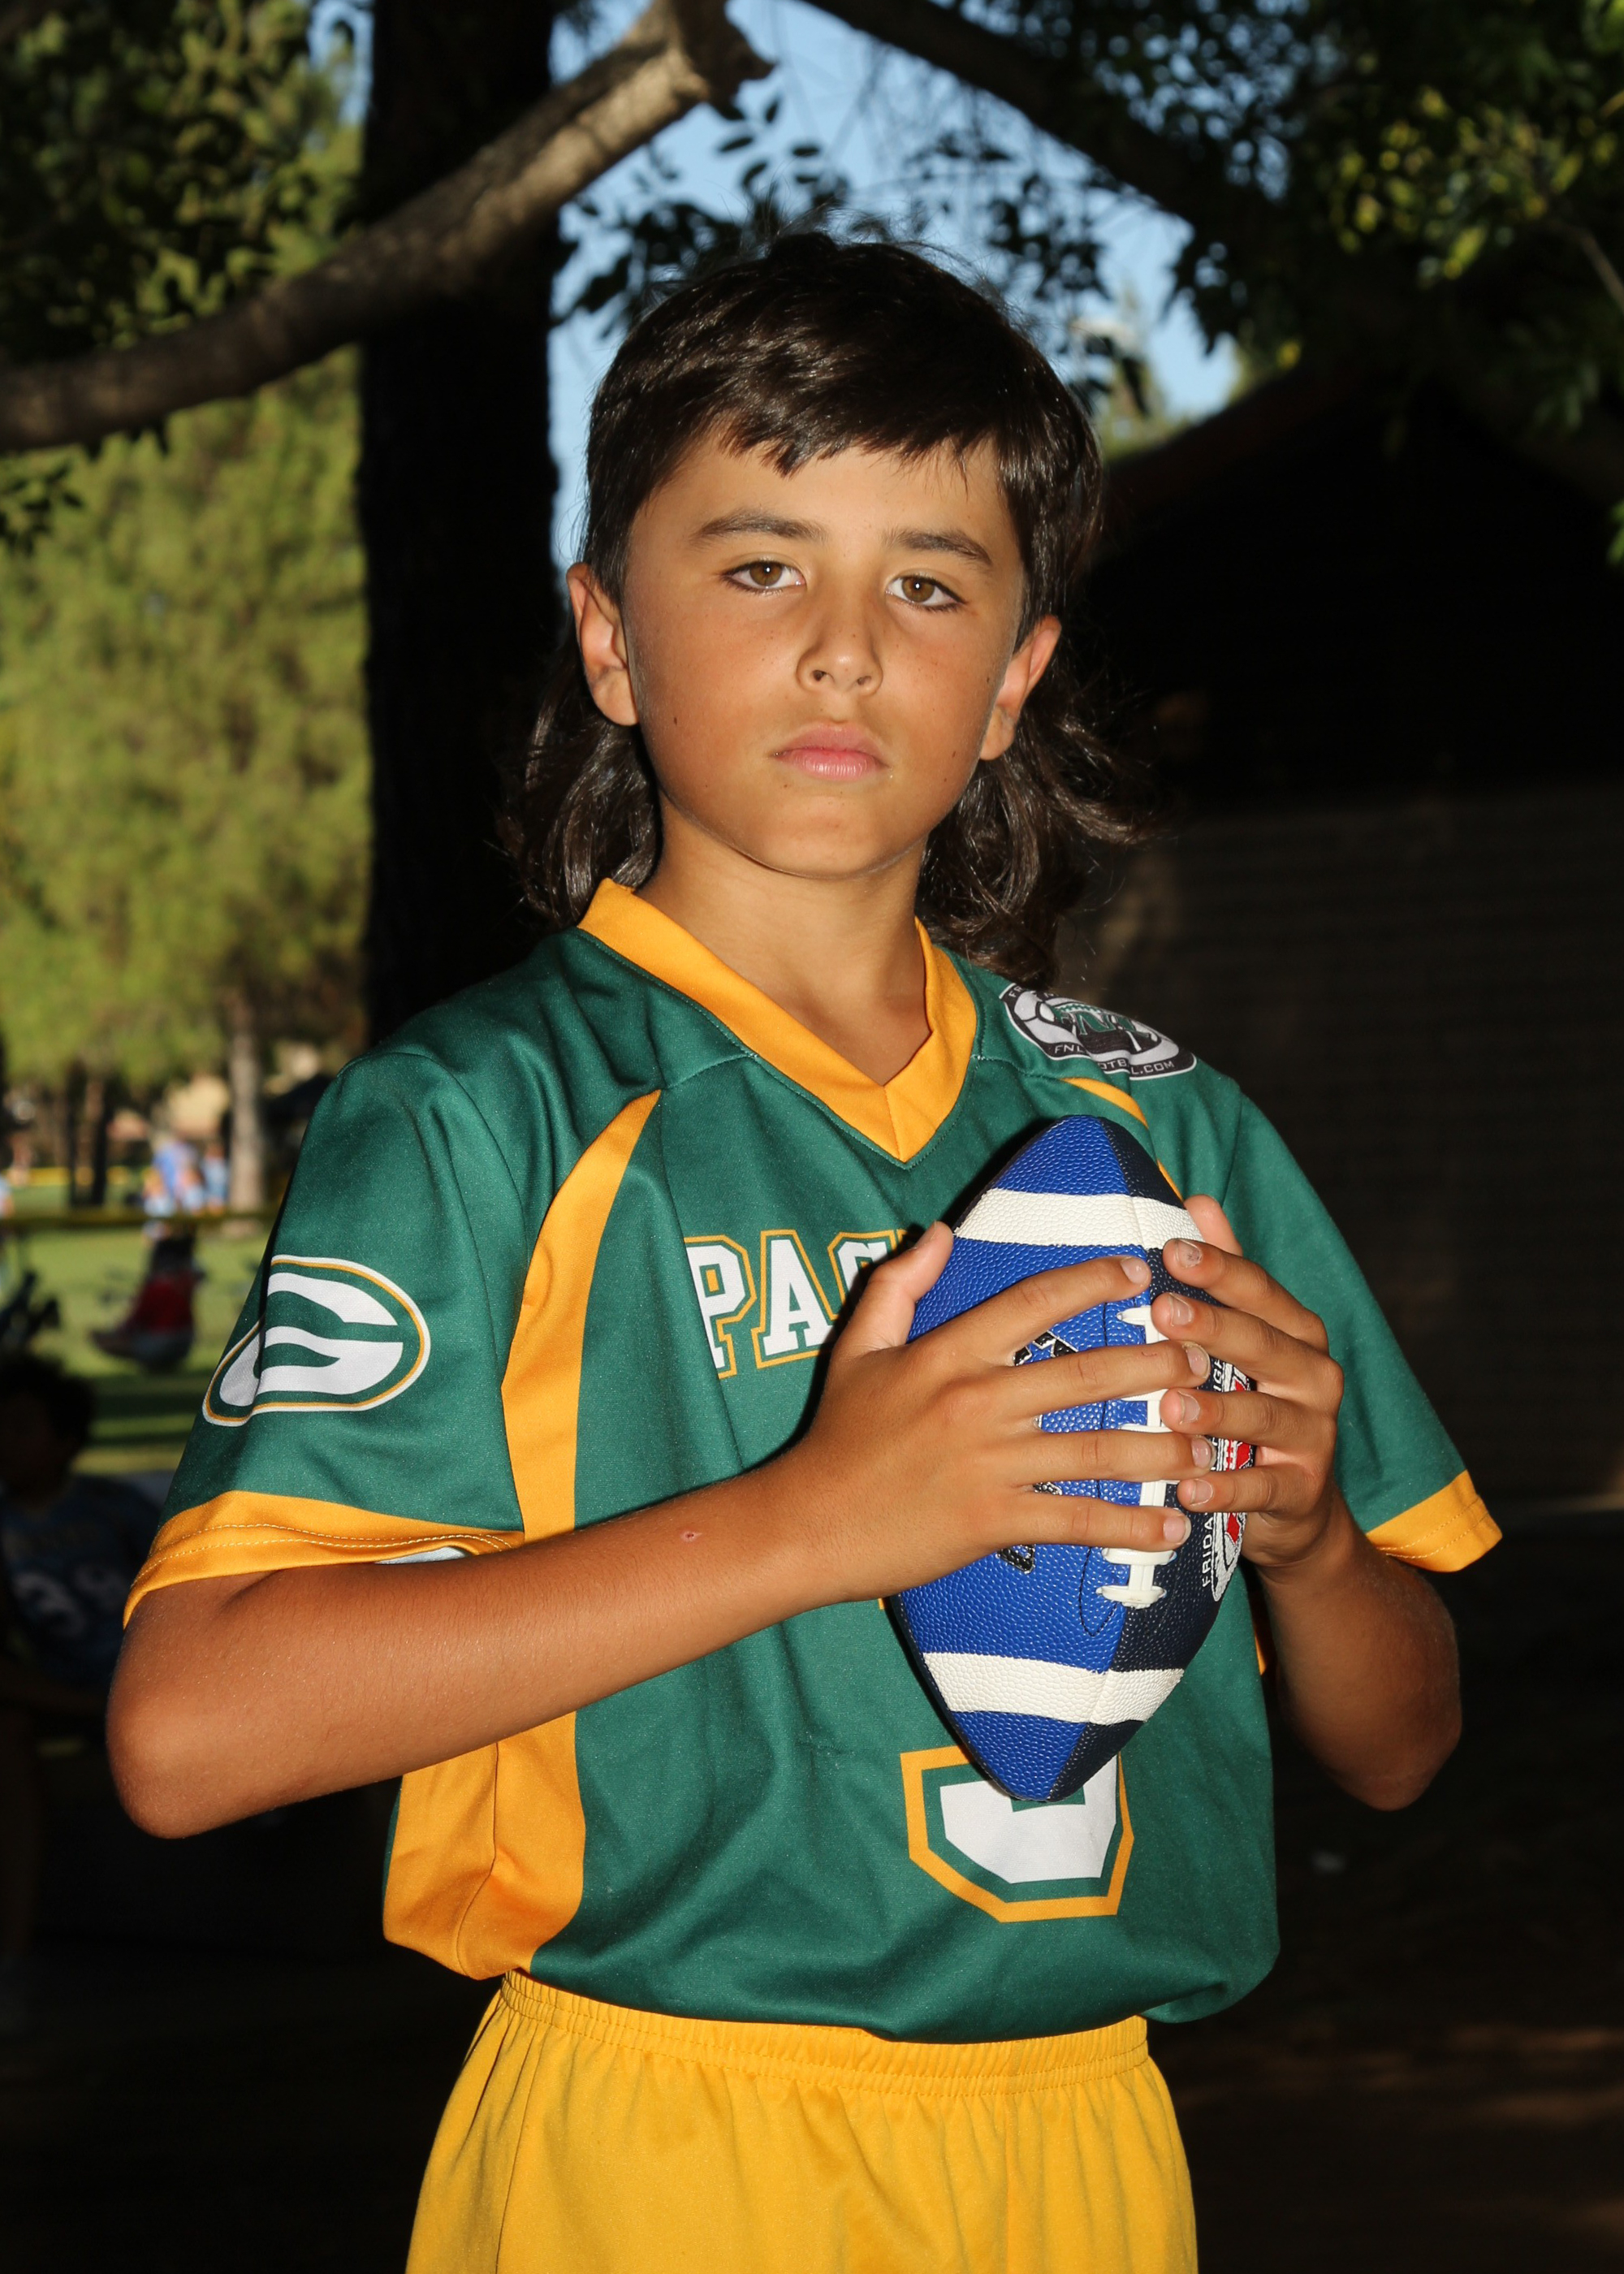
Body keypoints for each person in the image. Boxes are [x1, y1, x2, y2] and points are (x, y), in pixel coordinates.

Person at [108, 238, 1497, 2272]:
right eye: (761, 566)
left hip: (1091, 2146)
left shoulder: (1164, 1135)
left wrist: (1307, 1542)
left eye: (927, 585)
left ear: (1011, 676)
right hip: (659, 2140)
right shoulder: (485, 1111)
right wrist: (820, 1518)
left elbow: (1400, 1739)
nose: (844, 650)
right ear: (608, 635)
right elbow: (186, 1732)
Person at [0, 1358, 161, 2033]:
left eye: (21, 1427)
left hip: (151, 1676)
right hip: (70, 1694)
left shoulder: (114, 1509)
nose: (5, 1442)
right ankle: (13, 1958)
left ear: (67, 1440)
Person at [91, 1230, 201, 1372]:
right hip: (186, 1341)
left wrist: (113, 1335)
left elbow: (136, 1321)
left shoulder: (157, 1286)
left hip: (161, 1344)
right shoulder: (185, 1281)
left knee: (104, 1339)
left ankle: (154, 1364)